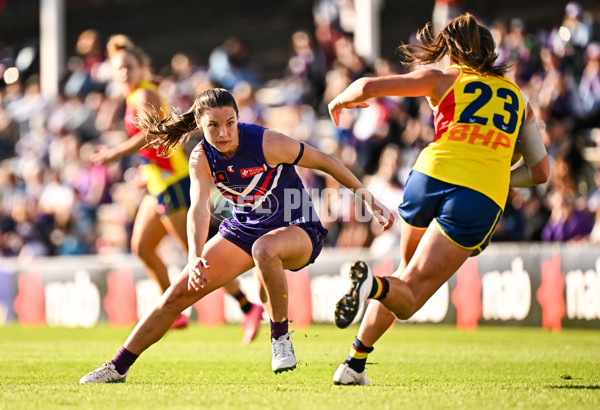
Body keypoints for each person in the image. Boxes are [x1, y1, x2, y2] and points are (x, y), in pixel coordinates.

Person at [79, 87, 394, 383]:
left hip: (300, 228)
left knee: (265, 250)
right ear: (200, 126)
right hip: (244, 230)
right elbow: (199, 209)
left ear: (238, 119)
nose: (223, 132)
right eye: (213, 126)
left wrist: (370, 200)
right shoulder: (201, 157)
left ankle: (280, 338)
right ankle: (117, 367)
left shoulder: (267, 142)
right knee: (177, 294)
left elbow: (327, 162)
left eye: (230, 123)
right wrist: (194, 255)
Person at [327, 14, 550, 385]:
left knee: (404, 275)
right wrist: (498, 174)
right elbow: (541, 172)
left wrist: (340, 100)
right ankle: (371, 285)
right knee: (409, 297)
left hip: (427, 176)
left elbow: (366, 86)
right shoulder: (518, 99)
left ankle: (354, 364)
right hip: (478, 196)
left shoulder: (444, 80)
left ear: (452, 51)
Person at [91, 35, 264, 340]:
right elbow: (159, 144)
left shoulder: (143, 95)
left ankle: (247, 307)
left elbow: (153, 135)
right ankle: (177, 314)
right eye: (118, 69)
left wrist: (114, 153)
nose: (123, 73)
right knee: (142, 248)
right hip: (159, 182)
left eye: (129, 67)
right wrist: (148, 168)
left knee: (194, 254)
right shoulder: (136, 95)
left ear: (142, 67)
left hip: (173, 183)